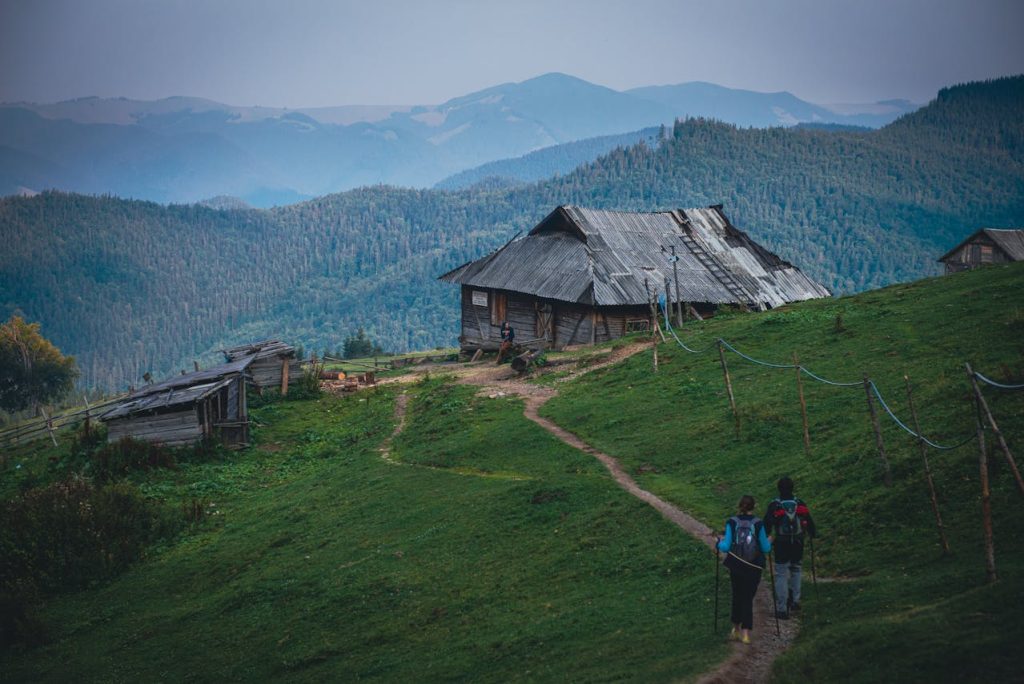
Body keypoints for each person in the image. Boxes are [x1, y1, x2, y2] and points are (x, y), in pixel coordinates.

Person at [717, 494, 772, 644]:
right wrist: (770, 541)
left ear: (739, 506)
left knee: (737, 595)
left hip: (736, 565)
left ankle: (736, 629)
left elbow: (726, 546)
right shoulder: (758, 523)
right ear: (754, 507)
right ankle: (746, 634)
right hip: (754, 566)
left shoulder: (732, 522)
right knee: (748, 597)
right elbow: (766, 548)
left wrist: (718, 544)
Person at [763, 476, 816, 619]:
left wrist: (764, 538)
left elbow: (767, 524)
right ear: (793, 488)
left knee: (781, 573)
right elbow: (810, 522)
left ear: (779, 489)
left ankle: (781, 608)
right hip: (798, 542)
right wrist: (812, 533)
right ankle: (795, 600)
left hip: (781, 543)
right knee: (796, 569)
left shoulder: (775, 504)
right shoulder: (799, 503)